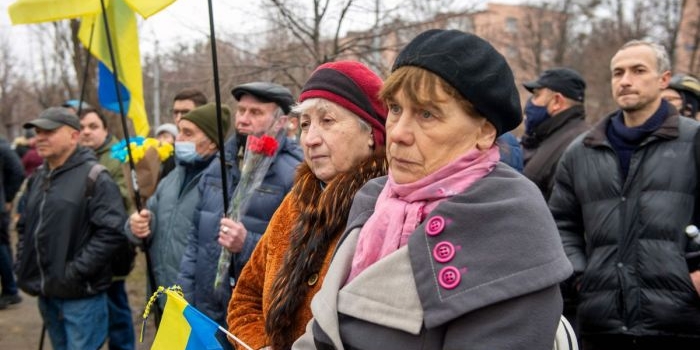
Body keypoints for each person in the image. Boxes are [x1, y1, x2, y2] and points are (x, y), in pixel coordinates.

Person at [293, 29, 573, 350]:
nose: (398, 133)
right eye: (395, 109)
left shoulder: (511, 230)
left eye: (426, 114)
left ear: (483, 131)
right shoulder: (374, 202)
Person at [549, 40, 700, 349]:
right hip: (601, 321)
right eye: (618, 73)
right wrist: (581, 276)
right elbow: (560, 223)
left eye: (638, 70)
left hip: (680, 319)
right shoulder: (581, 152)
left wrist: (696, 266)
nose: (625, 80)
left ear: (663, 79)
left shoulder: (694, 141)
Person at [228, 60, 388, 350]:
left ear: (371, 133)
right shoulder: (295, 203)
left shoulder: (389, 213)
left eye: (327, 121)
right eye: (304, 124)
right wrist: (258, 345)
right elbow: (246, 297)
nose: (310, 139)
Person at [178, 82, 303, 341]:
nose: (244, 119)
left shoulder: (296, 173)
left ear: (281, 122)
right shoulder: (219, 163)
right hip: (206, 311)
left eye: (255, 113)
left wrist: (247, 244)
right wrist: (185, 297)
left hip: (255, 317)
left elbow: (298, 253)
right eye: (241, 110)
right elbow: (195, 240)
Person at [15, 107, 127, 350]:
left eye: (49, 131)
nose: (40, 137)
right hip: (46, 293)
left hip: (81, 298)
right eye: (37, 132)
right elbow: (25, 226)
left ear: (74, 136)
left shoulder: (95, 177)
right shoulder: (38, 177)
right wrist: (22, 263)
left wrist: (74, 272)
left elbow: (111, 232)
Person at [126, 103, 229, 310]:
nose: (178, 139)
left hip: (196, 306)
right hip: (160, 297)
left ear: (211, 142)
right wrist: (136, 225)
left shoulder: (224, 184)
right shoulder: (170, 179)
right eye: (179, 131)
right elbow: (149, 222)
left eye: (188, 133)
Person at [78, 107, 136, 350]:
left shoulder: (117, 157)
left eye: (93, 126)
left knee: (116, 305)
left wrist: (96, 191)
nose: (86, 132)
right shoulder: (78, 157)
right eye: (81, 127)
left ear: (105, 130)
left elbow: (127, 196)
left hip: (113, 244)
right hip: (86, 245)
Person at [521, 67, 589, 201]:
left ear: (557, 101)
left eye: (536, 95)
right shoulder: (550, 137)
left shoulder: (578, 144)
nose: (529, 103)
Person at [0, 136, 24, 310]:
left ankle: (10, 289)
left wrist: (8, 198)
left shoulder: (2, 147)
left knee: (1, 247)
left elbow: (17, 171)